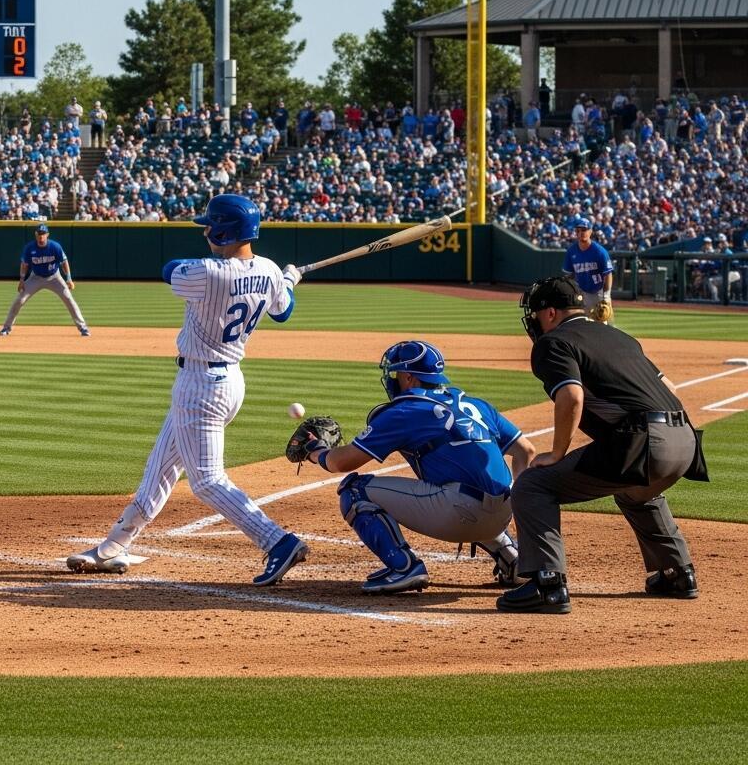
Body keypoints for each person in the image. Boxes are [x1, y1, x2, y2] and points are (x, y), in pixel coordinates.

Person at [65, 194, 309, 586]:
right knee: (160, 469)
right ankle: (113, 546)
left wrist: (279, 278)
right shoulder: (266, 268)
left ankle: (277, 541)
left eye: (210, 226)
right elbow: (284, 311)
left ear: (225, 231)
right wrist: (287, 280)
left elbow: (169, 269)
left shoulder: (210, 272)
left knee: (207, 480)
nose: (206, 231)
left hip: (201, 386)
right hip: (227, 380)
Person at [497, 276, 708, 614]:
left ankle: (547, 584)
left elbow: (571, 396)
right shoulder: (619, 336)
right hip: (685, 440)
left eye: (536, 314)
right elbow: (670, 389)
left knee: (532, 484)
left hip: (645, 443)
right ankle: (677, 573)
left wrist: (557, 452)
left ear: (550, 313)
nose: (534, 321)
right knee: (636, 491)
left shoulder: (553, 343)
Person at [289, 341, 535, 593]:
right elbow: (526, 450)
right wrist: (517, 502)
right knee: (476, 488)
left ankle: (404, 568)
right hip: (503, 514)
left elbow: (341, 462)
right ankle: (513, 559)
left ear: (408, 377)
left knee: (354, 490)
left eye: (396, 374)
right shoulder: (476, 405)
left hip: (459, 515)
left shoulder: (406, 410)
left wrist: (314, 451)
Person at [0, 224, 88, 337]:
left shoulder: (55, 246)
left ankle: (83, 327)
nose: (41, 236)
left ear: (47, 235)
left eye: (43, 234)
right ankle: (6, 328)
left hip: (54, 277)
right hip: (36, 277)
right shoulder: (30, 248)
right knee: (20, 300)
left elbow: (64, 262)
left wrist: (69, 278)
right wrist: (21, 280)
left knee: (68, 298)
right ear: (36, 235)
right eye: (39, 234)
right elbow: (24, 264)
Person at [563, 217, 613, 322]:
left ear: (590, 231)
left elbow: (608, 274)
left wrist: (606, 296)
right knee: (580, 324)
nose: (581, 233)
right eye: (578, 230)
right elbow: (569, 275)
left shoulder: (599, 251)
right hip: (581, 292)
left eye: (584, 230)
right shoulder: (571, 252)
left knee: (602, 325)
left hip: (598, 292)